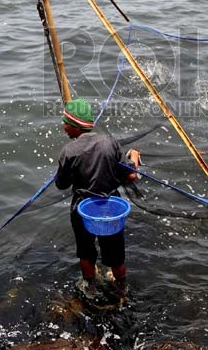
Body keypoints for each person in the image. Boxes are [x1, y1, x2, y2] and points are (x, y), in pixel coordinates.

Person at [54, 98, 140, 291]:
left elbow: (62, 184)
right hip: (110, 209)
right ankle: (121, 288)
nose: (64, 127)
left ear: (76, 126)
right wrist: (133, 156)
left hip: (83, 210)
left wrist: (65, 169)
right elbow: (131, 176)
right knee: (116, 254)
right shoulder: (109, 142)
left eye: (66, 123)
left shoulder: (68, 152)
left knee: (85, 253)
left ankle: (90, 287)